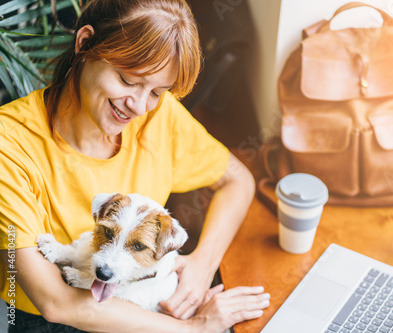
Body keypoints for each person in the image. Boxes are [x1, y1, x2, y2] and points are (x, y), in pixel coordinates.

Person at [0, 0, 269, 332]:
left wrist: (202, 262)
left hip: (142, 297)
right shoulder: (9, 144)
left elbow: (237, 180)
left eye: (157, 91)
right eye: (128, 80)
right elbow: (54, 302)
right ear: (85, 44)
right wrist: (197, 329)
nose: (140, 106)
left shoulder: (159, 115)